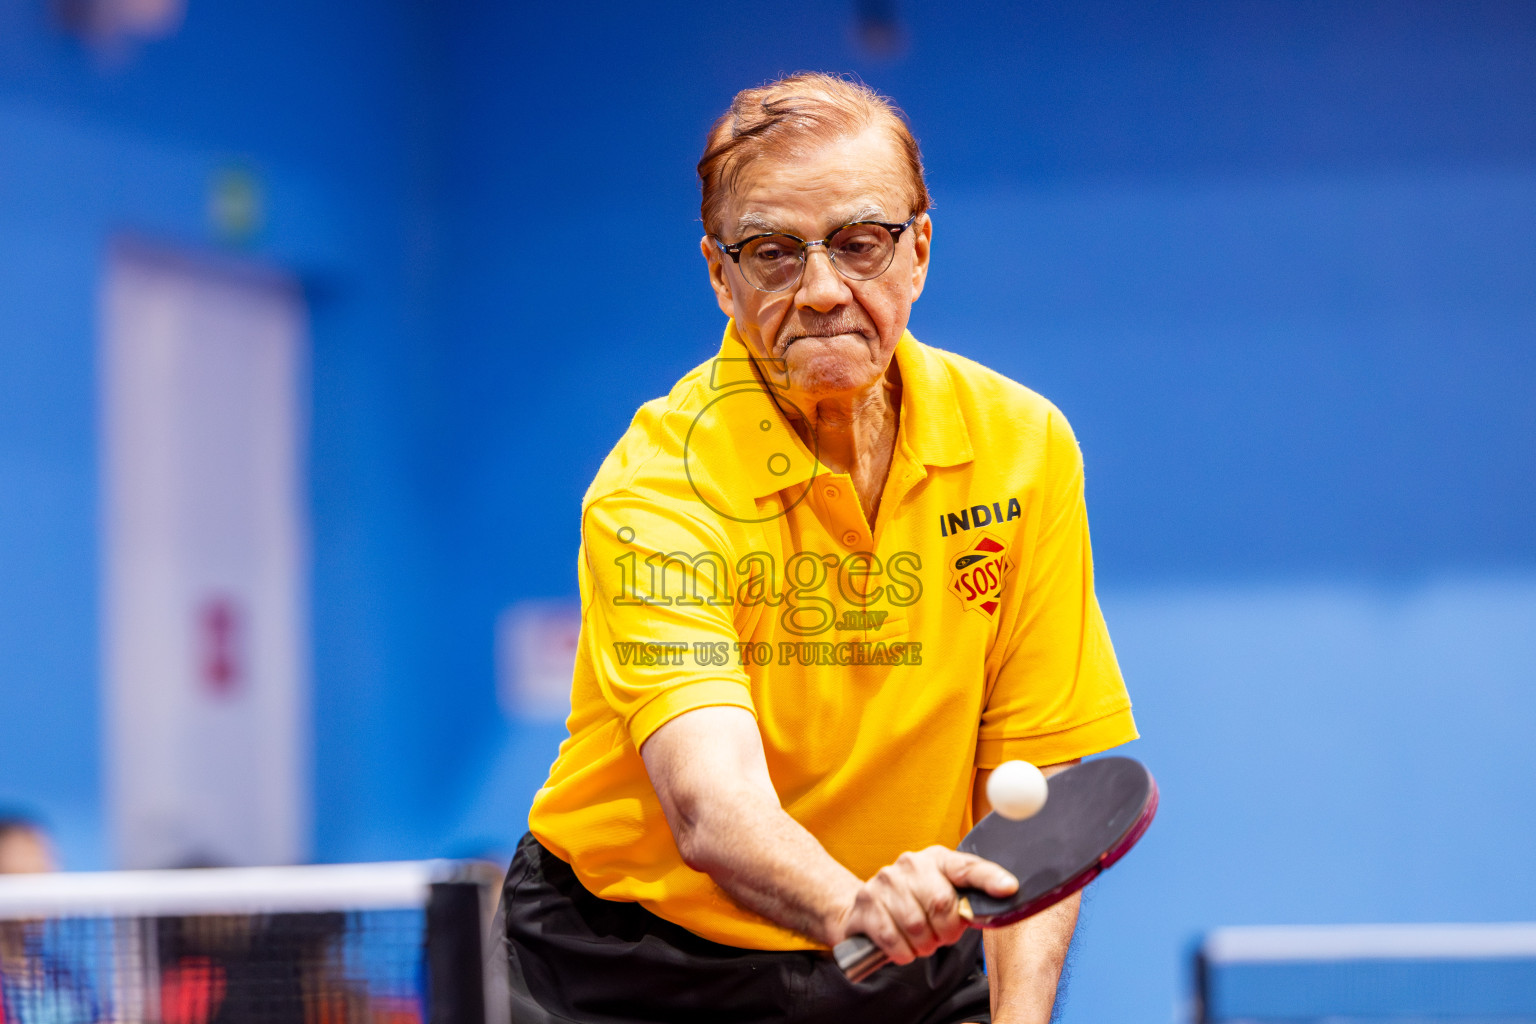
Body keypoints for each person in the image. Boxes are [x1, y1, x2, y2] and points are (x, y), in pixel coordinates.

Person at [501, 73, 1138, 1024]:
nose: (824, 291)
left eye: (860, 243)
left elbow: (1039, 785)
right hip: (633, 970)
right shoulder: (658, 486)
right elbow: (713, 808)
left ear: (918, 251)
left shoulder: (1023, 447)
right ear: (720, 275)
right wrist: (861, 910)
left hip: (903, 955)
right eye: (773, 252)